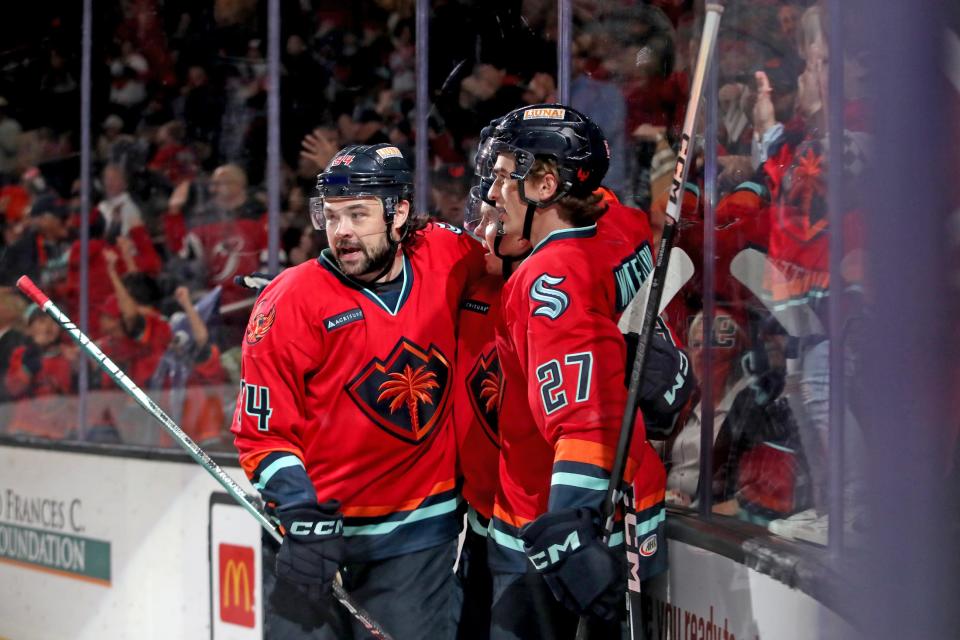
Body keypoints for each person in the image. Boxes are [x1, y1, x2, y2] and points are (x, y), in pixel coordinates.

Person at [232, 142, 486, 639]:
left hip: (416, 540)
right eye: (331, 216)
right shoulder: (288, 301)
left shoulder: (447, 254)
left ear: (399, 214)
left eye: (357, 214)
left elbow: (520, 272)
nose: (341, 230)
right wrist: (300, 513)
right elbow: (261, 436)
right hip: (314, 539)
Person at [483, 104, 674, 638]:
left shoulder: (548, 281)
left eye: (504, 176)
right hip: (626, 508)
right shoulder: (624, 228)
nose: (493, 194)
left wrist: (569, 531)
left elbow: (584, 419)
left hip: (559, 527)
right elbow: (609, 205)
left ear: (545, 184)